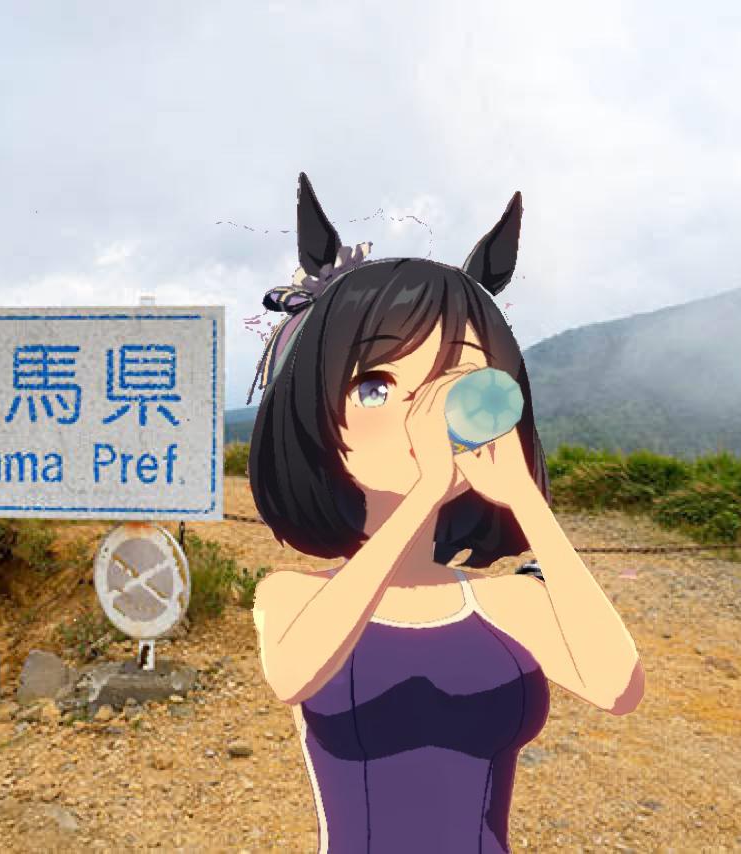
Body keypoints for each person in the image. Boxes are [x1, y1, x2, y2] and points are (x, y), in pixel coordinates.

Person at [249, 173, 644, 853]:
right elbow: (295, 673)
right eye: (376, 386)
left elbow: (617, 687)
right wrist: (426, 489)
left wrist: (523, 496)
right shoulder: (291, 598)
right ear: (313, 412)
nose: (421, 415)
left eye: (458, 385)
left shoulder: (510, 604)